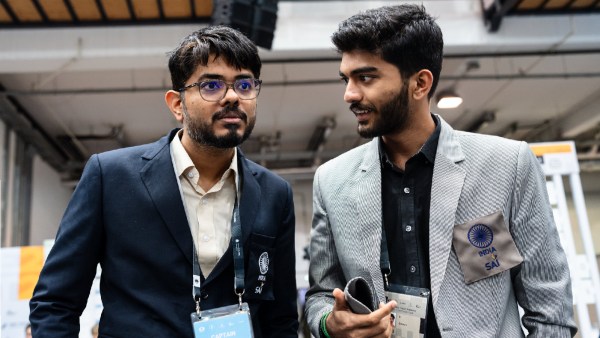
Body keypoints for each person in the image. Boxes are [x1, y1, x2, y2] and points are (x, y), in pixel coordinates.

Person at [305, 4, 577, 338]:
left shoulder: (506, 164)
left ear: (420, 83)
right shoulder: (332, 182)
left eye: (366, 77)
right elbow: (321, 294)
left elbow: (550, 309)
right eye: (346, 79)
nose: (350, 94)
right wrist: (328, 324)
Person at [29, 26, 298, 337]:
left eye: (244, 84)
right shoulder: (111, 176)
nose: (233, 97)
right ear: (176, 104)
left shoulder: (274, 193)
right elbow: (56, 301)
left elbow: (281, 320)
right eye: (211, 85)